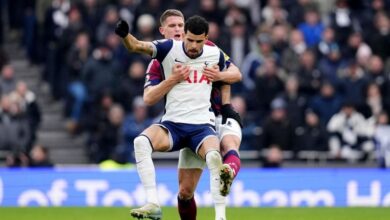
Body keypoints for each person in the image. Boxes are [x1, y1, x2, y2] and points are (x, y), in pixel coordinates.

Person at [115, 15, 238, 220]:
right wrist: (125, 35)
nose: (192, 43)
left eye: (180, 25)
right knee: (140, 142)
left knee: (207, 167)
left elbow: (235, 75)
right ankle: (153, 203)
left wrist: (220, 82)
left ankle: (220, 217)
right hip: (173, 124)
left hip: (202, 126)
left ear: (205, 37)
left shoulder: (213, 52)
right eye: (174, 27)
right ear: (165, 30)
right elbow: (135, 46)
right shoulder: (166, 51)